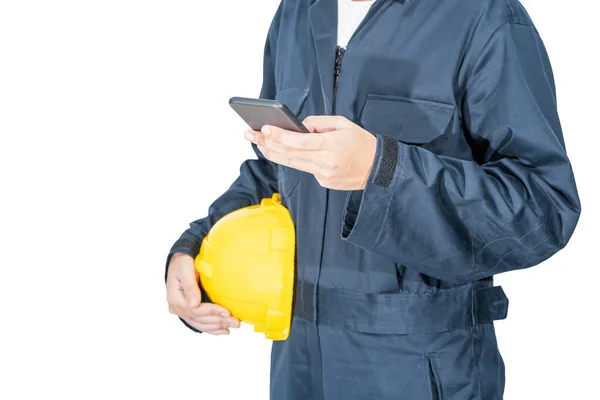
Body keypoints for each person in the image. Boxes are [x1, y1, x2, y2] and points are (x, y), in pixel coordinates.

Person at [165, 0, 581, 398]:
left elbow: (545, 204)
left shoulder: (483, 15)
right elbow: (275, 170)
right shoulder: (297, 10)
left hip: (419, 368)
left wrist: (383, 171)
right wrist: (194, 248)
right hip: (299, 365)